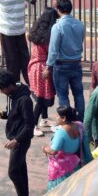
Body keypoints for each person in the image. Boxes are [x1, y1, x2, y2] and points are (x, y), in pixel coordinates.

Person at [0, 69, 35, 196]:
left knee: (14, 171)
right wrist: (3, 115)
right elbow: (13, 113)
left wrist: (16, 140)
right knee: (21, 168)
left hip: (21, 140)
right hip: (16, 138)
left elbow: (29, 125)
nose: (2, 92)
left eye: (2, 89)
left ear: (10, 86)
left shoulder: (25, 100)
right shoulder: (13, 96)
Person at [45, 0, 85, 119]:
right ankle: (80, 120)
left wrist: (48, 66)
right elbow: (80, 40)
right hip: (76, 63)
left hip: (61, 64)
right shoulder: (80, 24)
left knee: (62, 95)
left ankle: (67, 120)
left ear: (58, 9)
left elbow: (53, 50)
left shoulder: (57, 27)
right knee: (78, 93)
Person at [41, 105, 90, 190]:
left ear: (63, 118)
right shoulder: (78, 125)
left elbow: (53, 151)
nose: (55, 117)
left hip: (62, 168)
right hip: (74, 162)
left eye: (57, 116)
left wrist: (44, 148)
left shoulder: (61, 132)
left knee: (60, 190)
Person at [28, 7, 58, 136]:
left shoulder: (35, 32)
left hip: (34, 66)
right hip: (43, 68)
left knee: (42, 94)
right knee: (41, 99)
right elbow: (51, 54)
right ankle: (33, 125)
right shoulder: (48, 36)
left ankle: (44, 119)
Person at [0, 0, 35, 84]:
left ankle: (15, 84)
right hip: (20, 30)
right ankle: (31, 83)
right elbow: (33, 0)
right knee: (25, 58)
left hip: (6, 31)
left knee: (11, 60)